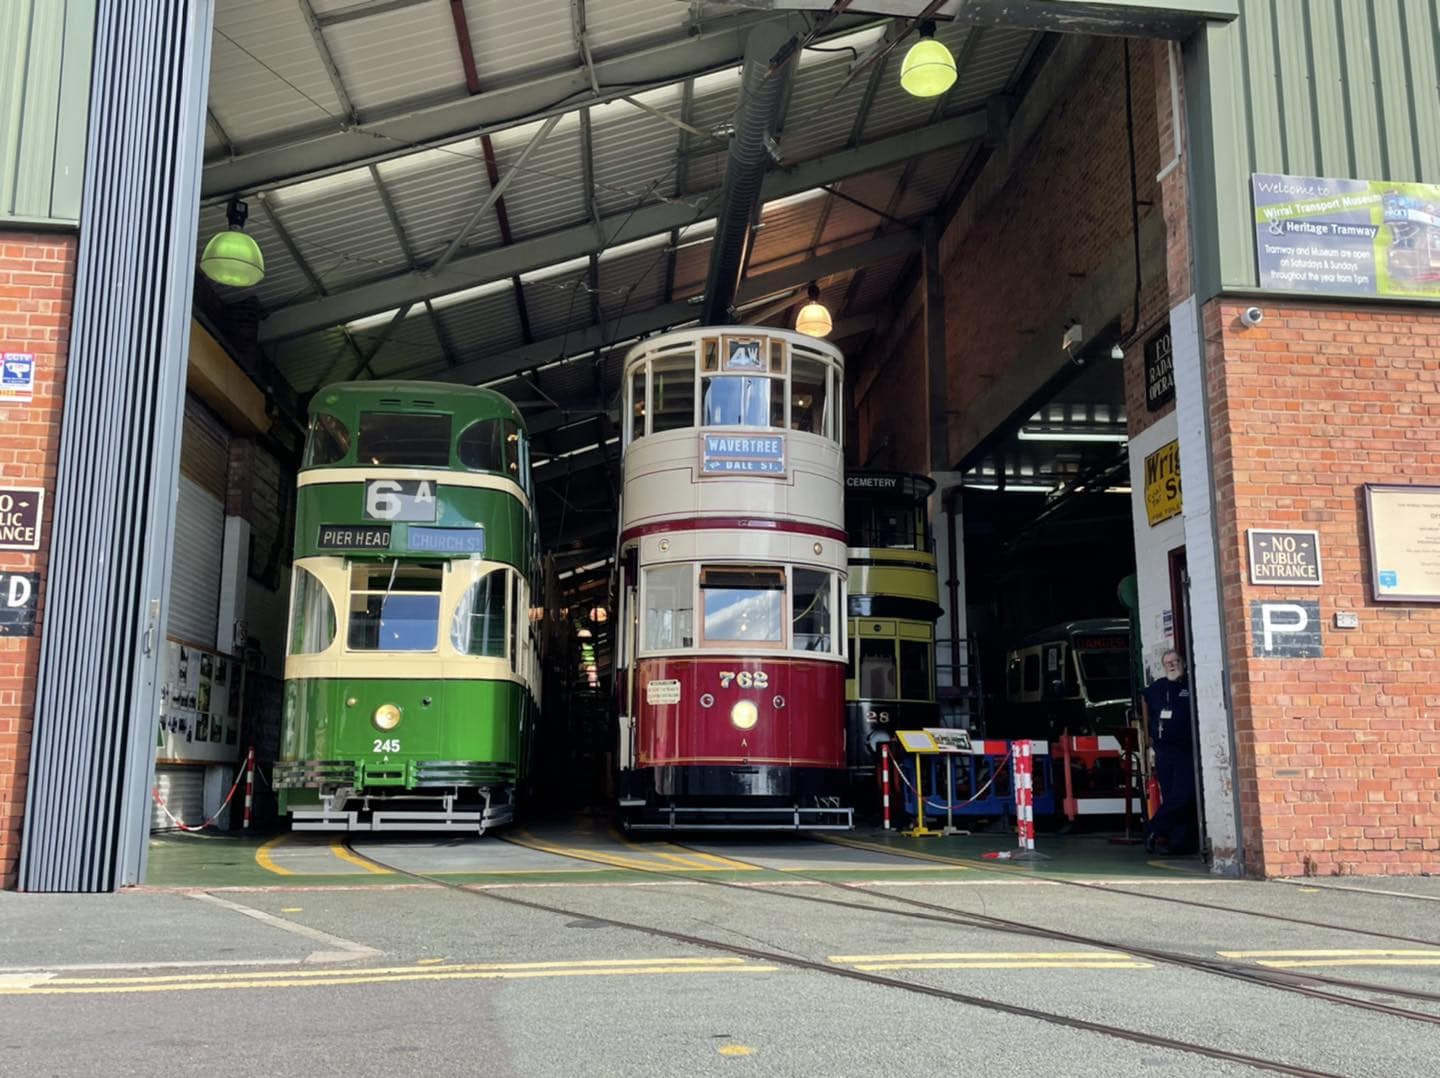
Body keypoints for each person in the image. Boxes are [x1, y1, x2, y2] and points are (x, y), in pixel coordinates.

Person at [1141, 649, 1198, 855]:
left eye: (1175, 661)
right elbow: (1145, 709)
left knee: (1184, 794)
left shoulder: (1191, 685)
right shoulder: (1156, 689)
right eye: (1168, 663)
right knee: (1170, 794)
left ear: (1182, 662)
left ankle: (1153, 828)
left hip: (1185, 750)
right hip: (1164, 751)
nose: (1172, 665)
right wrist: (1149, 743)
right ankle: (1176, 842)